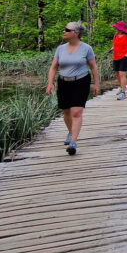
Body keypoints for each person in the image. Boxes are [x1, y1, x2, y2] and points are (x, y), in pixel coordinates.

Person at [46, 22, 100, 156]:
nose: (63, 32)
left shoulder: (86, 48)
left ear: (76, 33)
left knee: (76, 112)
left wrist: (96, 84)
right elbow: (53, 67)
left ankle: (73, 143)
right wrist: (50, 83)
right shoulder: (60, 49)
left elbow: (93, 67)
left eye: (67, 30)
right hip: (63, 82)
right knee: (66, 112)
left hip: (81, 81)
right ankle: (71, 132)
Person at [108, 20, 127, 100]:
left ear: (121, 28)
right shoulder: (115, 35)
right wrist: (112, 49)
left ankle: (123, 93)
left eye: (116, 27)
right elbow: (115, 45)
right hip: (115, 57)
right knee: (117, 74)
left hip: (124, 57)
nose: (115, 28)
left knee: (121, 74)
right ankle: (122, 87)